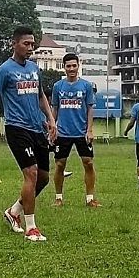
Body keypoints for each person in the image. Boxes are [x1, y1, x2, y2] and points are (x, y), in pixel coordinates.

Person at [0, 26, 57, 242]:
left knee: (43, 179)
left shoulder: (34, 68)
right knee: (31, 174)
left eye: (33, 44)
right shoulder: (5, 70)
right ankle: (31, 227)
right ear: (14, 44)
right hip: (17, 128)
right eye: (26, 44)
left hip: (37, 128)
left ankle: (14, 211)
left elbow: (41, 95)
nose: (30, 48)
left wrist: (51, 121)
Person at [50, 53, 99, 207]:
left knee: (88, 163)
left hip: (81, 132)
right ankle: (58, 198)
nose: (71, 68)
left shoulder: (86, 86)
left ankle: (90, 199)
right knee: (60, 164)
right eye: (68, 66)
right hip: (63, 132)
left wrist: (89, 130)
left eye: (74, 65)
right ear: (64, 67)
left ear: (78, 66)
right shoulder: (58, 86)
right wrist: (52, 127)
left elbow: (90, 109)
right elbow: (54, 108)